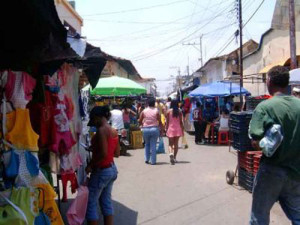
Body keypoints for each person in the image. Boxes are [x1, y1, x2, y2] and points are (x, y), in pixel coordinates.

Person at [248, 66, 300, 224]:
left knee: (259, 217)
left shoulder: (265, 107)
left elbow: (255, 141)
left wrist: (269, 143)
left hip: (271, 171)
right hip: (296, 172)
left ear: (269, 81)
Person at [86, 106, 120, 225]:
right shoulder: (114, 130)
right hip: (112, 169)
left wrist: (90, 165)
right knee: (106, 202)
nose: (93, 123)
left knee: (91, 203)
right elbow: (116, 153)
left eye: (93, 119)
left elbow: (103, 154)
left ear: (98, 117)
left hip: (102, 170)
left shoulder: (101, 130)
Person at [139, 98, 161, 165]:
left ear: (148, 103)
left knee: (147, 144)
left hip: (145, 129)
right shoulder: (156, 110)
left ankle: (146, 159)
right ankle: (153, 161)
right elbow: (159, 120)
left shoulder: (144, 111)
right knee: (153, 145)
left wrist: (142, 124)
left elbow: (140, 120)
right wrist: (161, 128)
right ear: (154, 103)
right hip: (154, 129)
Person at [166, 99, 184, 165]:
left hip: (170, 129)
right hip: (178, 129)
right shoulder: (180, 111)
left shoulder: (168, 111)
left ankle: (171, 154)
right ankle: (175, 158)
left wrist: (166, 129)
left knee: (170, 144)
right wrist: (182, 129)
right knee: (176, 144)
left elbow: (167, 122)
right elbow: (181, 122)